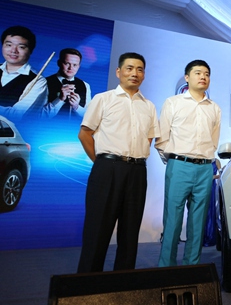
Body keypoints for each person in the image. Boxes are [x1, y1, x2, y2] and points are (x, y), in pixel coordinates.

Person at [77, 52, 159, 273]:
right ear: (118, 72)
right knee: (97, 230)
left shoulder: (149, 106)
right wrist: (102, 162)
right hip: (107, 169)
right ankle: (87, 284)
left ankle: (123, 283)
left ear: (144, 75)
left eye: (140, 69)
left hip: (137, 172)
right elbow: (85, 134)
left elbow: (149, 139)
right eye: (129, 68)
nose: (135, 73)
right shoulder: (103, 99)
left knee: (130, 233)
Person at [155, 60, 221, 267]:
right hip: (179, 166)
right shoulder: (173, 102)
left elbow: (214, 141)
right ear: (187, 77)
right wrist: (174, 161)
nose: (203, 77)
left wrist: (206, 160)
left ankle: (191, 267)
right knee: (172, 220)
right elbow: (162, 139)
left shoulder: (214, 108)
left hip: (205, 168)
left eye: (207, 74)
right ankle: (166, 268)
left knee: (198, 222)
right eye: (198, 73)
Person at [0, 25, 48, 121]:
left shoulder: (38, 81)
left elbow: (16, 115)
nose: (13, 51)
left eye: (21, 47)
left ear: (30, 51)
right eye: (9, 45)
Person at [43, 48, 91, 119]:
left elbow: (89, 116)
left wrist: (77, 107)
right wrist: (60, 99)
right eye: (67, 63)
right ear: (59, 63)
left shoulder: (85, 85)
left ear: (79, 66)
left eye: (75, 65)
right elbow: (40, 116)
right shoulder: (44, 83)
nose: (70, 68)